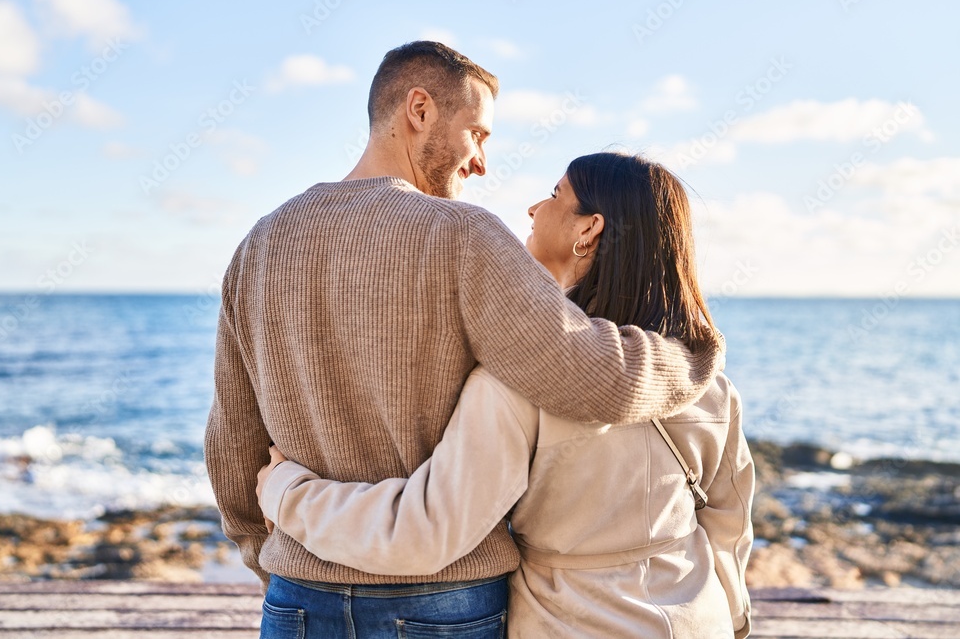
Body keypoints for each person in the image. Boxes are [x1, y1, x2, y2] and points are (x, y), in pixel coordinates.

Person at [204, 40, 723, 639]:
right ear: (418, 110)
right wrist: (693, 354)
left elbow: (233, 440)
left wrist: (267, 557)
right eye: (477, 134)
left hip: (297, 595)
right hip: (441, 601)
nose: (480, 163)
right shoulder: (464, 235)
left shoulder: (261, 245)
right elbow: (594, 379)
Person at [256, 153, 753, 638]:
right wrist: (732, 622)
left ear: (589, 229)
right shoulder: (705, 381)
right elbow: (729, 531)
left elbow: (427, 531)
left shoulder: (520, 383)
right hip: (698, 620)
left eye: (556, 194)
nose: (535, 209)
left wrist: (285, 491)